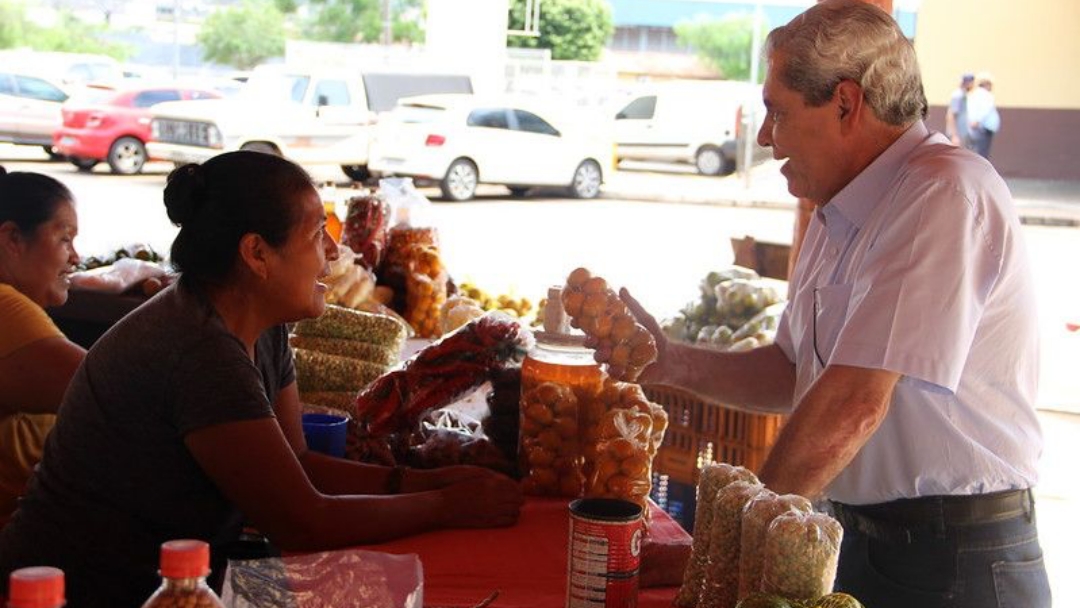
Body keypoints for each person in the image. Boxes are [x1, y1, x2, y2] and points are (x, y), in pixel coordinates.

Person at [622, 2, 1050, 607]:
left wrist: (730, 553)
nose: (766, 136)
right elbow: (795, 372)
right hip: (860, 540)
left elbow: (852, 405)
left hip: (954, 557)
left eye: (778, 111)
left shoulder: (943, 193)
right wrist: (670, 362)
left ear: (846, 103)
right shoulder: (837, 209)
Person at [0, 151, 523, 607]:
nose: (334, 253)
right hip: (89, 589)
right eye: (318, 234)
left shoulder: (260, 326)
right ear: (256, 254)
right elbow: (301, 521)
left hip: (180, 576)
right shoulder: (198, 347)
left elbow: (298, 464)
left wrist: (426, 483)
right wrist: (444, 504)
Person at [0, 167, 86, 527]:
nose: (76, 257)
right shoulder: (5, 308)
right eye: (64, 239)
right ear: (13, 238)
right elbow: (114, 390)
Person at [967, 71, 1000, 159]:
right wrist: (977, 121)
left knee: (975, 152)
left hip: (974, 128)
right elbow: (985, 110)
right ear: (987, 84)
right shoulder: (987, 95)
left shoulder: (973, 94)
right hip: (983, 128)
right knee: (982, 154)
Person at [944, 72, 975, 147]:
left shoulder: (963, 95)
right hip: (957, 135)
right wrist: (955, 136)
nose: (973, 85)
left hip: (962, 133)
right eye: (971, 82)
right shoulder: (958, 95)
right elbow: (951, 115)